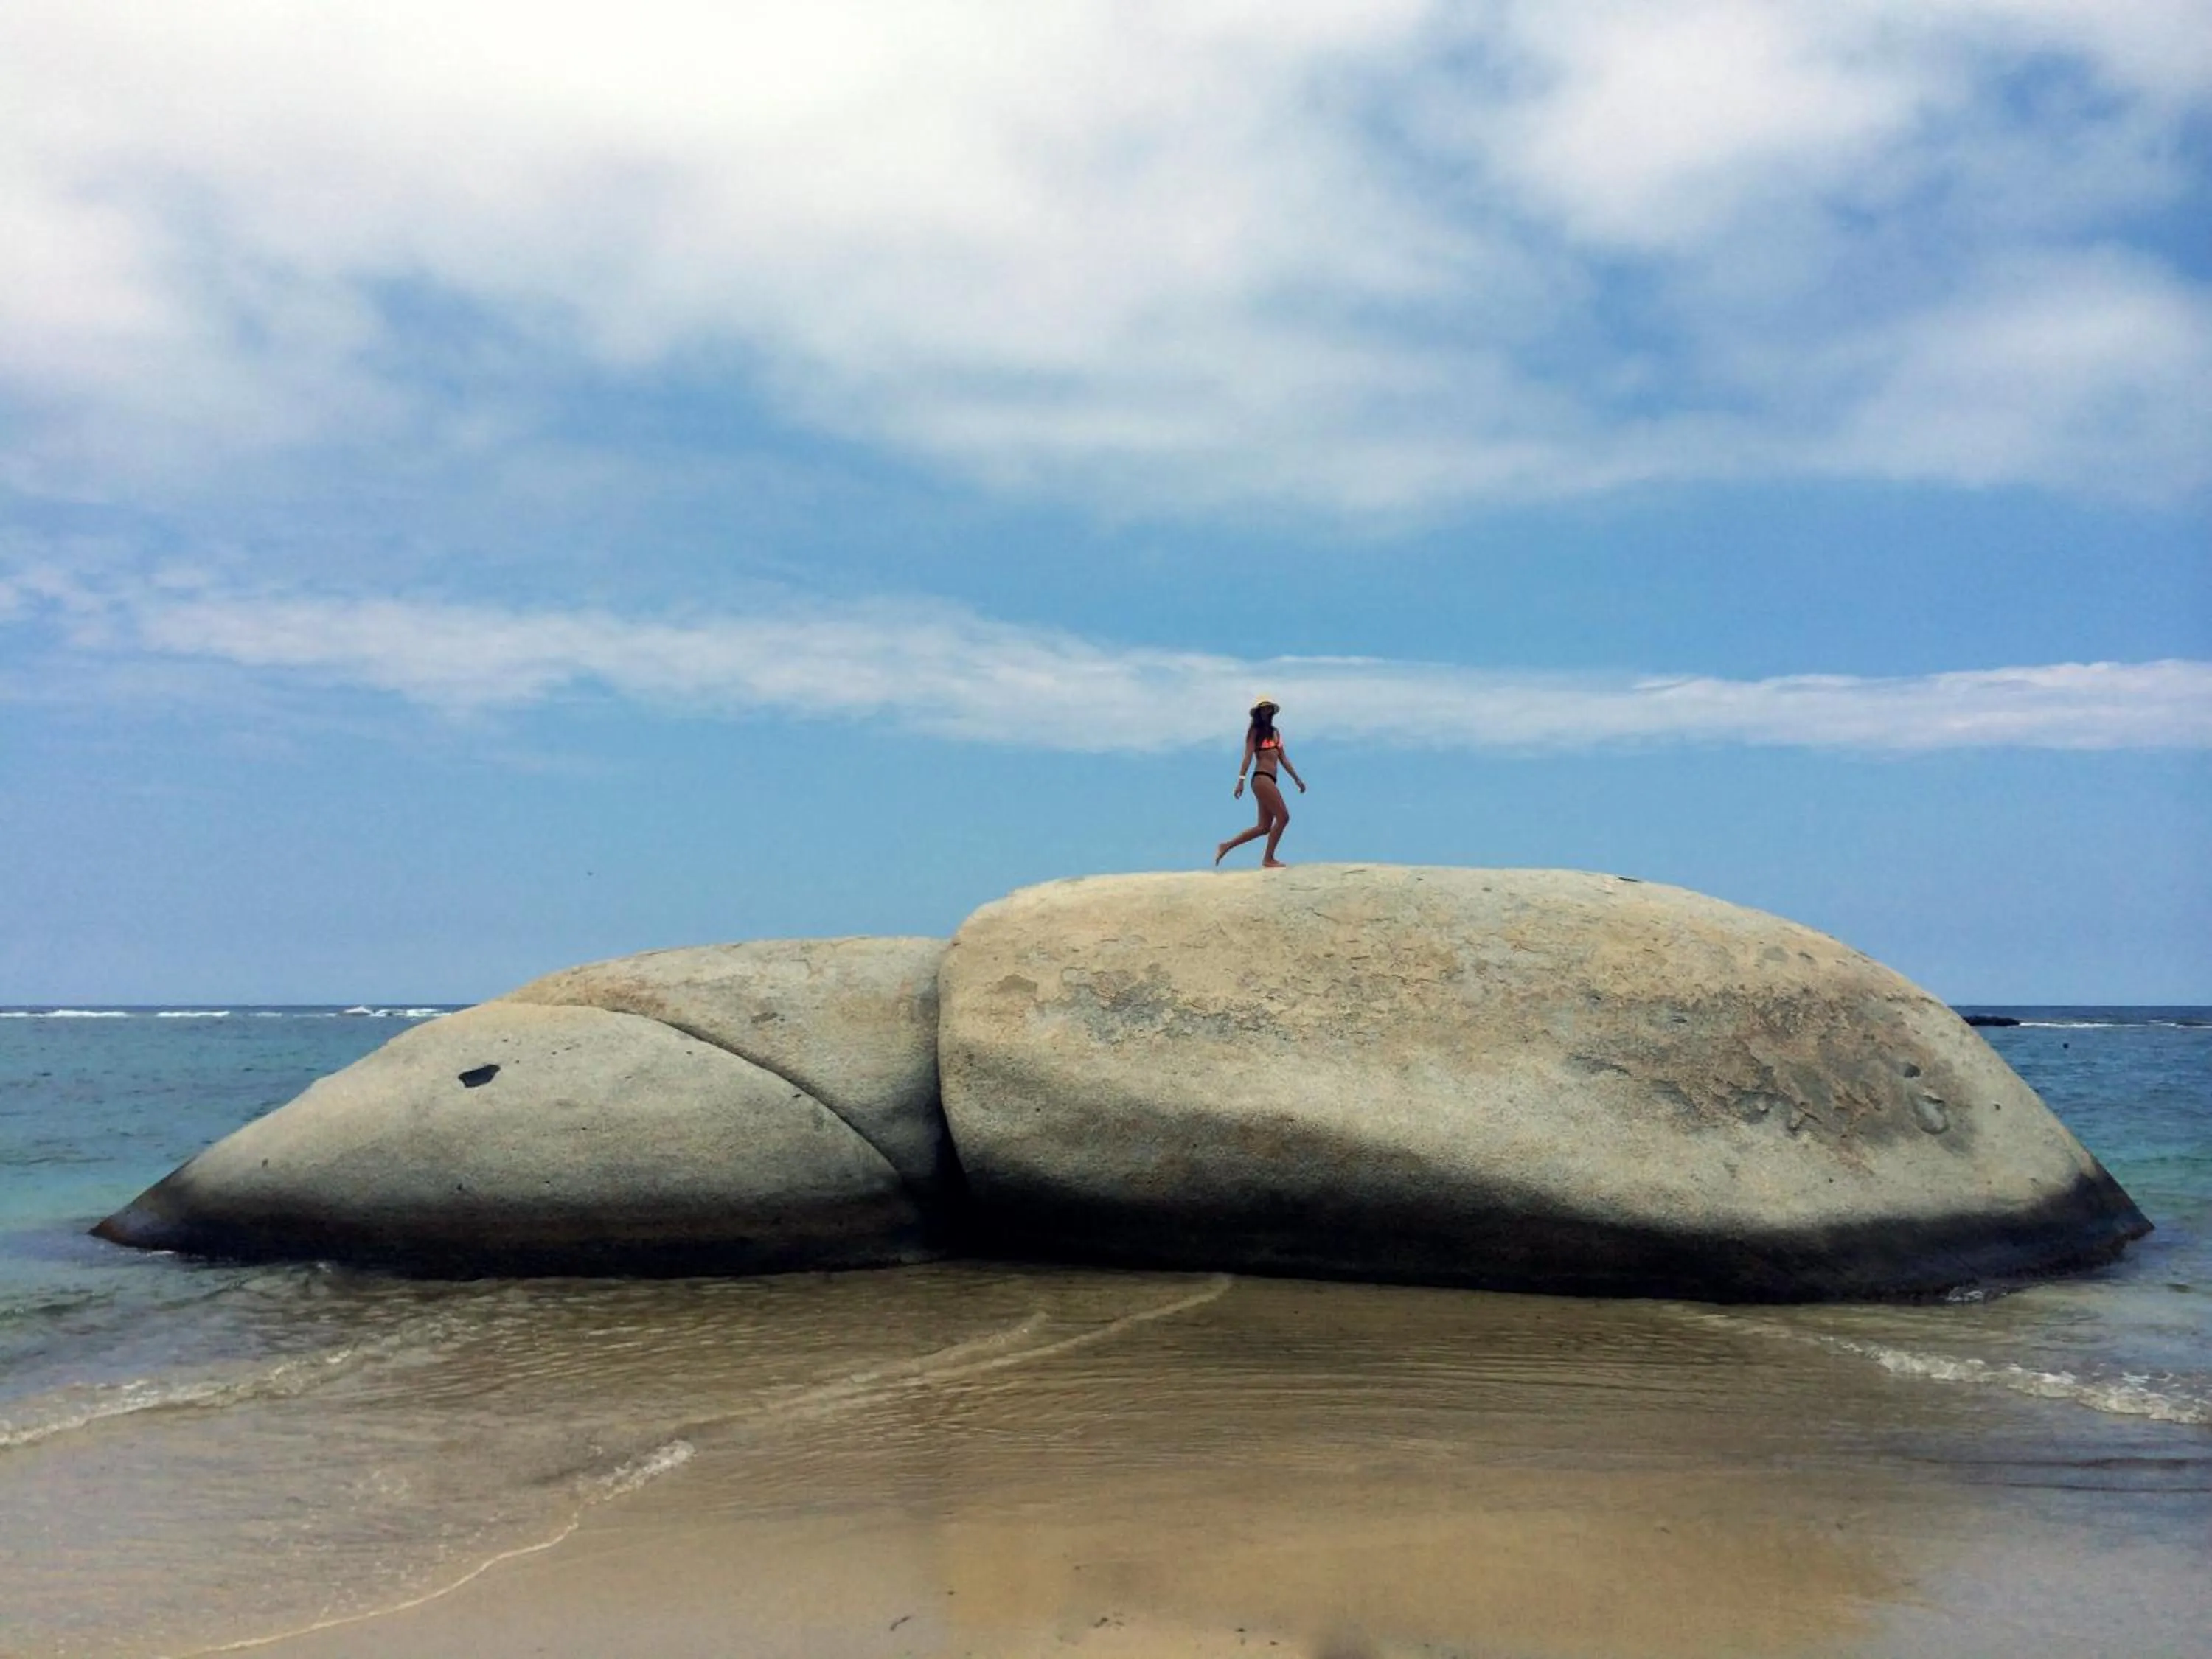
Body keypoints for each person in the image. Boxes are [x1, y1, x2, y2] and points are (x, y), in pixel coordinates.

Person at [1214, 695, 1306, 869]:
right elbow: (1248, 756)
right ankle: (1268, 858)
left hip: (1270, 780)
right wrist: (1240, 780)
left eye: (1269, 708)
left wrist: (1296, 779)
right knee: (1284, 817)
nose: (1267, 711)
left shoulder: (1276, 733)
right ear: (1258, 712)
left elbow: (1284, 759)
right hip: (1261, 778)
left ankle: (1225, 846)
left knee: (1264, 827)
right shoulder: (1255, 732)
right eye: (1263, 709)